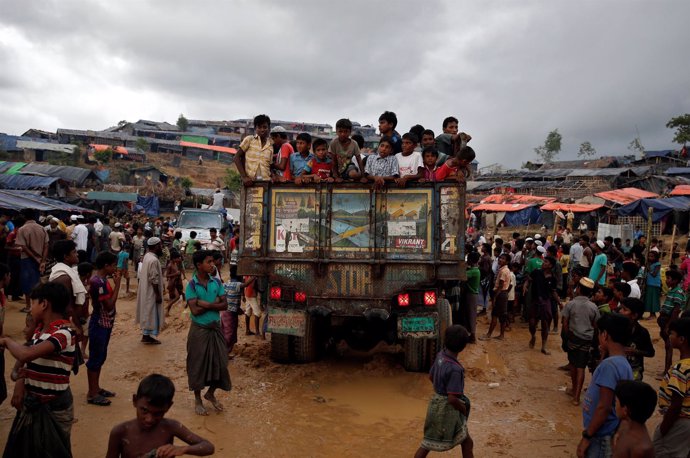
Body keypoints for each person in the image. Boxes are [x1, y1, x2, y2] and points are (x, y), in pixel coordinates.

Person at [0, 282, 76, 457]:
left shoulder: (63, 333)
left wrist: (6, 341)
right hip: (35, 401)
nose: (31, 307)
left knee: (53, 450)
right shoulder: (40, 331)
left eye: (33, 302)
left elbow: (26, 355)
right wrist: (21, 381)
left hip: (53, 405)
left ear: (44, 304)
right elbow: (29, 363)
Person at [106, 374, 214, 458]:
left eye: (158, 413)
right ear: (135, 400)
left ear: (168, 407)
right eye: (144, 410)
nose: (149, 419)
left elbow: (208, 447)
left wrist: (183, 449)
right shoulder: (121, 431)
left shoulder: (171, 427)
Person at [577, 313, 633, 458]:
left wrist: (587, 436)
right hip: (610, 429)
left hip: (600, 433)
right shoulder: (623, 362)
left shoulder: (609, 366)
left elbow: (604, 406)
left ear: (605, 335)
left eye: (599, 333)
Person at [414, 325, 474, 458]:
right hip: (448, 408)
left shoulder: (440, 356)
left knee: (427, 443)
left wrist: (440, 389)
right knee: (467, 442)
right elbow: (453, 398)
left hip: (435, 403)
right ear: (463, 347)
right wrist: (463, 408)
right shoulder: (455, 370)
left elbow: (431, 376)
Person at [185, 250, 232, 416]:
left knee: (221, 363)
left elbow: (225, 305)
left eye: (213, 261)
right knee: (197, 365)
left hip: (215, 329)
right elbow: (195, 311)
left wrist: (204, 303)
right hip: (199, 330)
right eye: (209, 262)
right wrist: (214, 303)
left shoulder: (216, 282)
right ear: (199, 265)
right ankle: (197, 399)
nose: (213, 265)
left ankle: (210, 393)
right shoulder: (191, 285)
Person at [86, 251, 121, 407]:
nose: (115, 268)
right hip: (100, 322)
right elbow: (109, 305)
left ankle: (96, 388)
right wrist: (118, 285)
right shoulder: (98, 282)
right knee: (96, 358)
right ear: (106, 266)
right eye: (113, 265)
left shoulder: (101, 280)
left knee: (100, 356)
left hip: (103, 323)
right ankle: (92, 393)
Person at [653, 317, 690, 458]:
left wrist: (663, 429)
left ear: (681, 339)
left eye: (672, 333)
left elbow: (676, 405)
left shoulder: (680, 368)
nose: (669, 336)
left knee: (664, 451)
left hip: (678, 421)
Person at [562, 277, 599, 406]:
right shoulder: (593, 307)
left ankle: (574, 391)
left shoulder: (571, 304)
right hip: (587, 340)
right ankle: (577, 397)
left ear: (578, 289)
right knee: (581, 367)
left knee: (573, 364)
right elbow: (596, 326)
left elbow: (565, 323)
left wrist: (566, 338)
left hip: (573, 338)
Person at [611, 380, 656, 458]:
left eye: (616, 402)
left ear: (625, 409)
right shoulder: (626, 427)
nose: (614, 406)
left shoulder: (640, 448)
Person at [16, 209, 49, 313]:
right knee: (38, 282)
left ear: (24, 217)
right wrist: (42, 261)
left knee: (26, 282)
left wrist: (35, 258)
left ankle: (28, 306)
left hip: (27, 259)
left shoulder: (22, 229)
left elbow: (23, 247)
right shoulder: (42, 228)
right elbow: (46, 245)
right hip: (40, 260)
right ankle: (38, 305)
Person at [136, 237, 165, 345]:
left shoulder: (147, 256)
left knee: (147, 311)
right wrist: (157, 294)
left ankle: (146, 335)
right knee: (151, 312)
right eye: (160, 245)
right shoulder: (153, 260)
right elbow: (154, 278)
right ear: (156, 246)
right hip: (151, 291)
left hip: (146, 290)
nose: (161, 247)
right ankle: (148, 335)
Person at [619, 298, 655, 381]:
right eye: (621, 308)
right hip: (617, 370)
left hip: (634, 372)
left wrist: (636, 351)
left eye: (624, 310)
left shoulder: (642, 332)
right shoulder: (616, 329)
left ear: (634, 315)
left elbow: (651, 353)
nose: (620, 311)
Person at [658, 269, 685, 378]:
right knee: (667, 346)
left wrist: (669, 325)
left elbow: (676, 310)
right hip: (665, 320)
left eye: (668, 278)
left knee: (668, 346)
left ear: (675, 280)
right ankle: (667, 370)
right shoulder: (671, 290)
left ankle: (667, 371)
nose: (667, 280)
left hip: (669, 321)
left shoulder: (678, 292)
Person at [235, 114, 272, 186]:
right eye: (259, 127)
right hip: (250, 183)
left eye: (265, 127)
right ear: (255, 128)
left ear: (269, 128)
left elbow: (270, 165)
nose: (262, 130)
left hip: (266, 183)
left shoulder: (270, 145)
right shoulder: (249, 140)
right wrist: (244, 177)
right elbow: (236, 157)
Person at [480, 253, 511, 341]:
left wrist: (495, 297)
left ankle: (489, 334)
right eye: (500, 258)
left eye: (503, 259)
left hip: (500, 294)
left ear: (507, 261)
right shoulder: (505, 270)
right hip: (503, 294)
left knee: (495, 315)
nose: (500, 260)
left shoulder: (503, 271)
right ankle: (500, 335)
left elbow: (500, 286)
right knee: (501, 315)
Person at [221, 265, 244, 356]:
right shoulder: (237, 284)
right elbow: (245, 284)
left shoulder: (227, 284)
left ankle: (225, 352)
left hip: (226, 312)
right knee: (229, 333)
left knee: (228, 331)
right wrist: (254, 276)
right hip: (230, 313)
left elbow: (230, 298)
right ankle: (224, 354)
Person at [165, 249, 184, 315]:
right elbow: (167, 275)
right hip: (172, 283)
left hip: (176, 282)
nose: (178, 259)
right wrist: (175, 274)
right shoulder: (170, 265)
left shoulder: (175, 264)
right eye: (177, 258)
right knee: (177, 297)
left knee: (172, 297)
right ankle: (166, 307)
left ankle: (167, 312)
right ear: (173, 258)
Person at [644, 251, 661, 319]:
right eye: (649, 256)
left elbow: (654, 274)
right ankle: (651, 313)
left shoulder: (657, 264)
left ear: (656, 257)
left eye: (652, 256)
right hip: (649, 283)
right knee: (649, 299)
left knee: (654, 299)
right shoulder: (649, 263)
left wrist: (648, 268)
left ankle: (653, 314)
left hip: (654, 284)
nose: (650, 257)